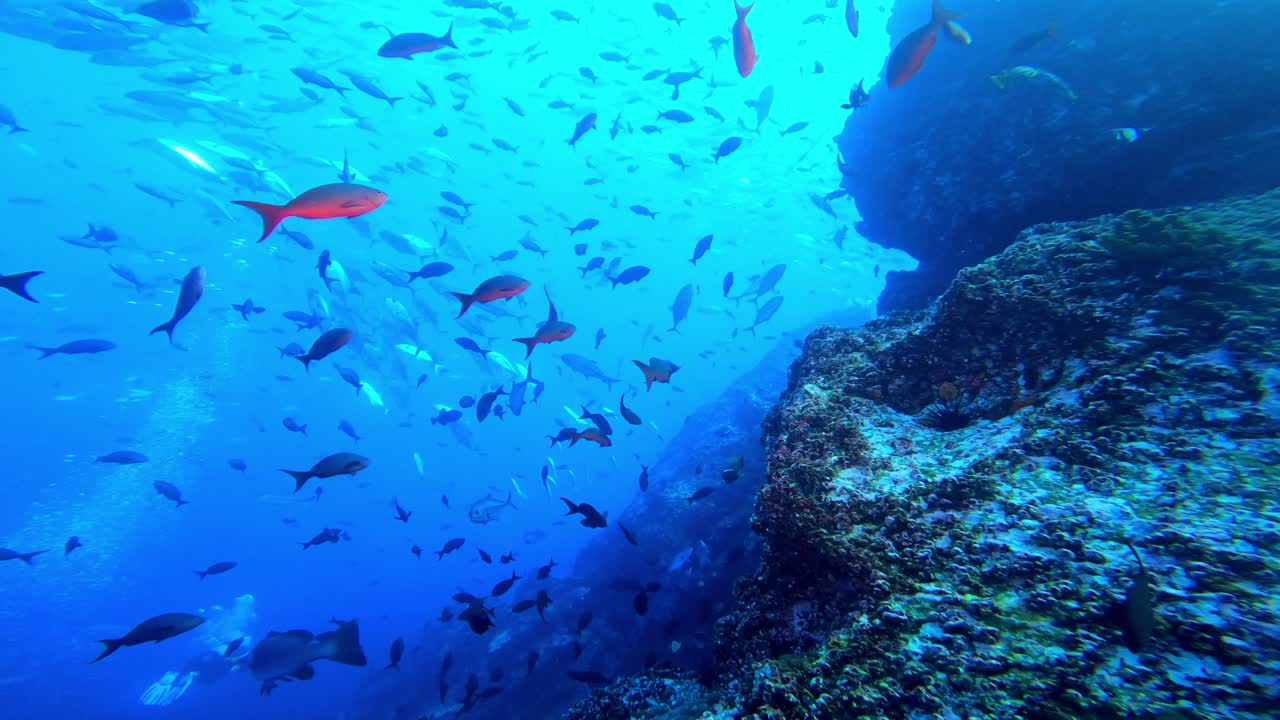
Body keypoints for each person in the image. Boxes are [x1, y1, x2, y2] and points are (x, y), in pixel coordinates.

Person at [139, 594, 256, 706]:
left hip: (210, 659)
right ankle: (183, 675)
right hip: (215, 662)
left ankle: (180, 674)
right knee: (210, 666)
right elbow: (240, 662)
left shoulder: (227, 631)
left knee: (205, 664)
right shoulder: (238, 634)